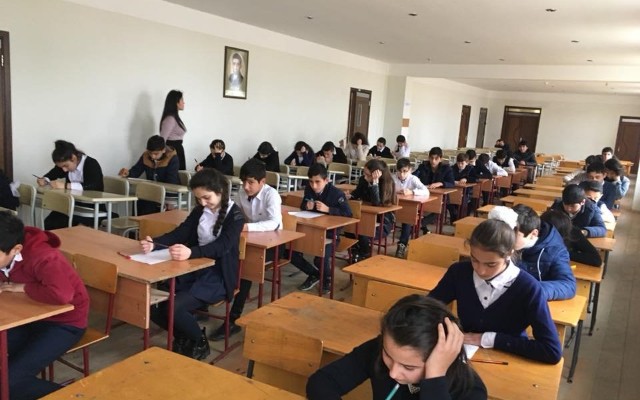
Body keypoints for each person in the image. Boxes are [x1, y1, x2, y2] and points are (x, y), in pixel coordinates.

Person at [141, 169, 244, 360]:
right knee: (153, 305)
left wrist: (191, 252)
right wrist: (155, 243)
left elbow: (222, 246)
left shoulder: (235, 215)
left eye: (206, 197)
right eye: (198, 198)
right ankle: (184, 336)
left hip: (218, 275)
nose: (202, 203)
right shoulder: (200, 210)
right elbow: (182, 232)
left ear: (220, 191)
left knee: (174, 307)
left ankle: (198, 340)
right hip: (194, 267)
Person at [428, 219, 563, 364]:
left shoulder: (529, 288)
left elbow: (552, 351)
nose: (481, 270)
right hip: (465, 356)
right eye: (474, 260)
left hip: (508, 361)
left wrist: (488, 339)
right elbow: (426, 308)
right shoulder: (459, 272)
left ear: (509, 254)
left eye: (491, 264)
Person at [307, 295, 487, 400]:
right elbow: (322, 382)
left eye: (409, 367)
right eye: (388, 355)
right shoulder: (379, 350)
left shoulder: (471, 391)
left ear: (443, 359)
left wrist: (434, 379)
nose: (393, 373)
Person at [0, 211, 89, 400]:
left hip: (65, 323)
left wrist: (23, 287)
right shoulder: (5, 254)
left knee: (9, 382)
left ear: (16, 249)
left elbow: (62, 294)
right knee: (8, 375)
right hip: (28, 317)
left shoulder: (43, 256)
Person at [210, 159, 282, 341]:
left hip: (273, 243)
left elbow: (274, 223)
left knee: (245, 269)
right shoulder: (242, 193)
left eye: (250, 182)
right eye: (243, 182)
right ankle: (205, 302)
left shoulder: (271, 195)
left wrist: (246, 227)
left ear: (262, 182)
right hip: (249, 239)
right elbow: (233, 213)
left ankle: (233, 319)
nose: (246, 186)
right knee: (221, 255)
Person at [488, 205, 575, 301]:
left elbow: (568, 285)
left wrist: (529, 288)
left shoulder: (555, 250)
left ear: (533, 234)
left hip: (529, 300)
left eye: (514, 235)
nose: (507, 238)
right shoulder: (505, 239)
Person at [291, 164, 352, 292]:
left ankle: (327, 279)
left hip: (330, 234)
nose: (314, 186)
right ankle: (314, 274)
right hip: (310, 231)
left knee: (320, 258)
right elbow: (303, 204)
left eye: (318, 182)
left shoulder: (336, 193)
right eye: (311, 182)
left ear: (326, 180)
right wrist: (306, 206)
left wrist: (328, 209)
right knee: (289, 252)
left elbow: (348, 214)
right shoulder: (309, 189)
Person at [37, 140, 106, 230]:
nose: (64, 170)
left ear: (73, 158)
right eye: (61, 167)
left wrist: (65, 186)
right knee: (49, 224)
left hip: (92, 208)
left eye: (66, 166)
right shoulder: (64, 165)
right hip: (72, 205)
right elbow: (52, 174)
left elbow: (93, 185)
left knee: (75, 230)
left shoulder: (91, 164)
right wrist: (44, 180)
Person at [350, 159, 396, 261]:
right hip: (365, 217)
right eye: (364, 173)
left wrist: (375, 183)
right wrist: (349, 196)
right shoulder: (363, 180)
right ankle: (358, 250)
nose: (365, 177)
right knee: (349, 228)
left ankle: (365, 253)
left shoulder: (387, 183)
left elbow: (377, 203)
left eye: (368, 175)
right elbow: (356, 194)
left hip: (383, 222)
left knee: (362, 232)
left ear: (377, 174)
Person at [392, 158, 429, 259]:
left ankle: (402, 245)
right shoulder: (393, 178)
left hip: (407, 207)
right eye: (399, 171)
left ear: (410, 170)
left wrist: (412, 192)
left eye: (405, 171)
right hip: (394, 206)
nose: (402, 174)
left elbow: (426, 191)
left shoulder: (413, 179)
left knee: (407, 219)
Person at [414, 147, 455, 234]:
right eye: (431, 158)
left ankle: (420, 224)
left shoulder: (446, 168)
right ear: (429, 158)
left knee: (440, 209)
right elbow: (414, 176)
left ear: (440, 159)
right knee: (414, 207)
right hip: (424, 194)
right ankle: (420, 226)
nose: (433, 161)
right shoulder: (423, 166)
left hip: (440, 197)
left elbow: (451, 183)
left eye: (436, 158)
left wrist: (441, 183)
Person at [159, 90, 187, 170]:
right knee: (176, 175)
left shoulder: (175, 117)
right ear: (176, 102)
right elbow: (162, 141)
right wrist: (171, 152)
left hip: (177, 150)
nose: (184, 102)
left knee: (181, 174)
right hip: (173, 151)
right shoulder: (170, 119)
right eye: (182, 100)